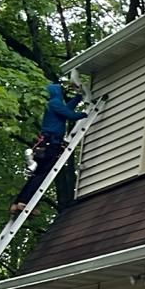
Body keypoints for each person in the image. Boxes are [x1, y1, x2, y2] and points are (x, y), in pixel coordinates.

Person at [11, 81, 88, 215]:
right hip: (51, 144)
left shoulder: (53, 105)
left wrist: (78, 97)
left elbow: (67, 109)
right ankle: (25, 203)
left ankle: (17, 203)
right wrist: (85, 114)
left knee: (36, 175)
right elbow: (71, 115)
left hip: (45, 144)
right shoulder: (55, 104)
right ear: (57, 93)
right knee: (41, 176)